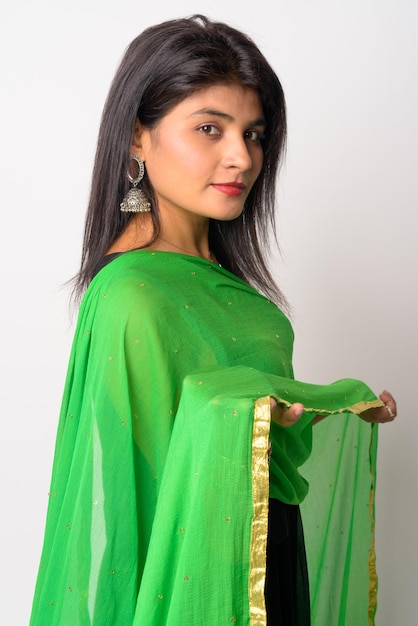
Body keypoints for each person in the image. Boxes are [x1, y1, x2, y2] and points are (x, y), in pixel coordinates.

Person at [29, 14, 397, 626]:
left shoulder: (243, 296)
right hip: (197, 579)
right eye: (209, 128)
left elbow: (269, 455)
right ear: (136, 139)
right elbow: (133, 494)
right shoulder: (130, 294)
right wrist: (248, 412)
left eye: (254, 135)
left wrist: (335, 408)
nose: (242, 157)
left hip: (271, 557)